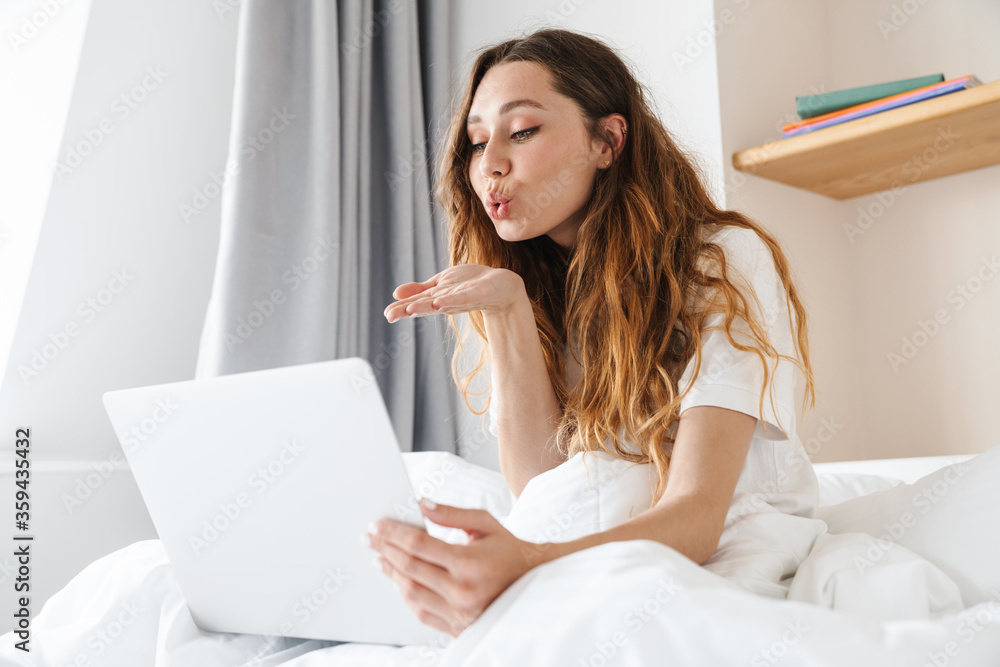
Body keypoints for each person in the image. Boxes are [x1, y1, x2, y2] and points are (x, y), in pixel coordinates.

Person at [364, 27, 825, 638]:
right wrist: (509, 315)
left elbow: (698, 514)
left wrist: (531, 565)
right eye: (477, 143)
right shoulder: (534, 284)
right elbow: (545, 488)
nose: (491, 165)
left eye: (522, 131)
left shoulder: (720, 261)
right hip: (602, 540)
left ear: (607, 140)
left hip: (727, 540)